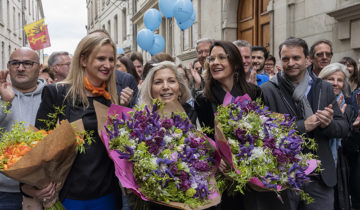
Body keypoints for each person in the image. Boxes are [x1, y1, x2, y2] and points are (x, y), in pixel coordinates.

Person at [23, 34, 122, 210]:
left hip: (107, 194)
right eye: (101, 58)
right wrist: (28, 187)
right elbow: (36, 145)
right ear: (83, 60)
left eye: (111, 59)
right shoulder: (57, 94)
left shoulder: (113, 97)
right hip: (68, 195)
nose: (108, 65)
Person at [261, 37, 349, 210]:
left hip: (319, 178)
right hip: (283, 177)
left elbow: (343, 127)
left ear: (308, 59)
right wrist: (303, 126)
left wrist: (327, 124)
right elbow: (263, 133)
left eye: (296, 58)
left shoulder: (323, 87)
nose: (290, 63)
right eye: (285, 59)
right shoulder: (268, 90)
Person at [195, 40, 262, 209]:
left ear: (235, 63)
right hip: (222, 179)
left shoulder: (254, 93)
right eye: (211, 59)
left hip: (253, 175)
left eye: (221, 57)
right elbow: (205, 138)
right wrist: (217, 157)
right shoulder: (203, 100)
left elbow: (264, 131)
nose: (215, 62)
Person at [0, 47, 47, 209]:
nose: (20, 68)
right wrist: (5, 102)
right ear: (8, 66)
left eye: (27, 63)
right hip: (4, 191)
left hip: (43, 190)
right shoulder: (1, 93)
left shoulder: (52, 95)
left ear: (39, 68)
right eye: (15, 63)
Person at [318, 63, 354, 210]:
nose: (335, 83)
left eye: (339, 80)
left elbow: (349, 144)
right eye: (330, 79)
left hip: (339, 164)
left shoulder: (348, 108)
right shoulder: (315, 102)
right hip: (318, 161)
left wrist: (354, 130)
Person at [138, 61, 196, 129]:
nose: (165, 87)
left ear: (180, 89)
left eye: (171, 81)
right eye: (158, 82)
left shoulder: (190, 112)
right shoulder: (141, 118)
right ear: (150, 90)